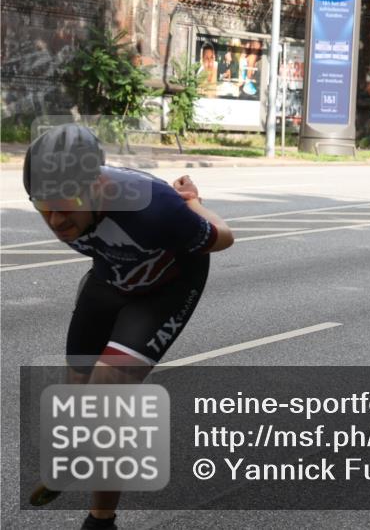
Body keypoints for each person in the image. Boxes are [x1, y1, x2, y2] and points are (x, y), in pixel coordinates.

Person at [23, 124, 234, 529]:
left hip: (167, 286)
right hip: (109, 279)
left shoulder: (157, 209)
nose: (55, 220)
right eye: (42, 207)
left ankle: (100, 520)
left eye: (65, 204)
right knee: (77, 394)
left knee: (107, 396)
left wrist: (194, 204)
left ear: (97, 188)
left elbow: (226, 237)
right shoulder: (64, 202)